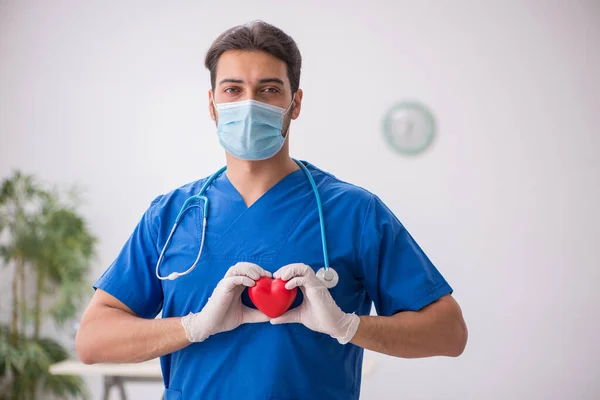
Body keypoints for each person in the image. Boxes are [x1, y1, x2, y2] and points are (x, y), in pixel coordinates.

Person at [75, 20, 468, 400]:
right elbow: (93, 340)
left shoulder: (353, 212)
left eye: (268, 90)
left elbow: (449, 332)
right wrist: (192, 327)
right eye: (232, 89)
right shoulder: (172, 216)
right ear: (212, 105)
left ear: (294, 104)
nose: (249, 104)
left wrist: (349, 326)